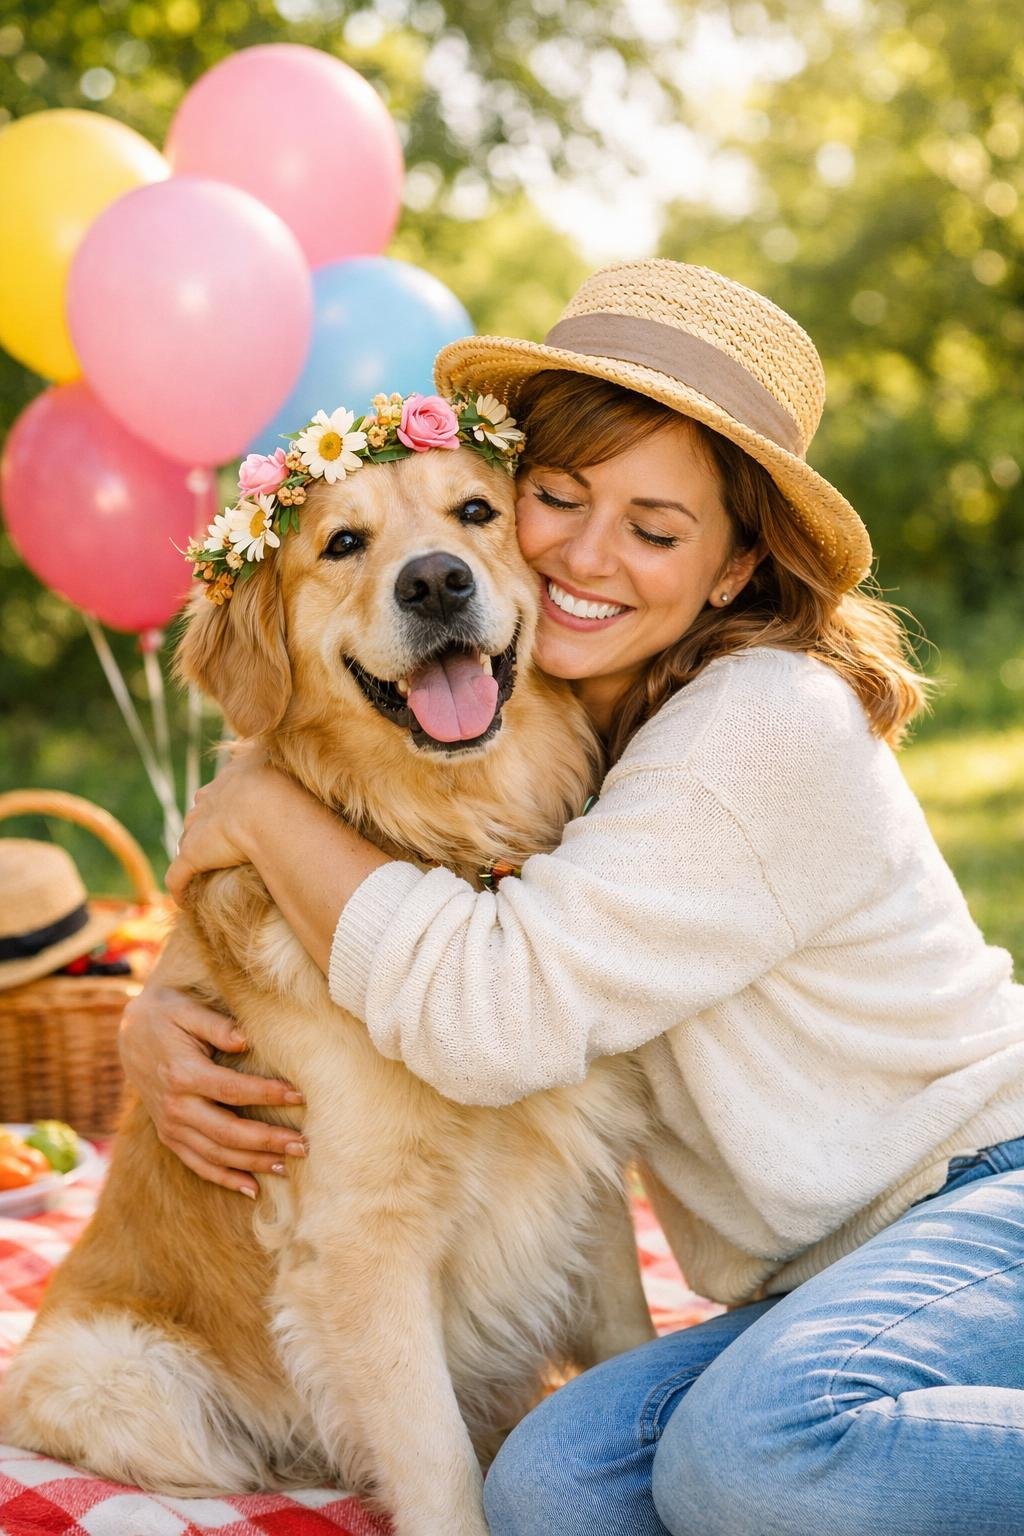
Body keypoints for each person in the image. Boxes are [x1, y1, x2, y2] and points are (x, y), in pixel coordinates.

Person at [120, 260, 1024, 1536]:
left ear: (729, 571)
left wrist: (263, 813)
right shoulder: (562, 723)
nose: (591, 557)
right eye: (555, 498)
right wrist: (156, 1006)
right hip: (823, 1275)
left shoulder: (758, 728)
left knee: (751, 1460)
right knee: (548, 1489)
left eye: (655, 531)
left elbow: (499, 1016)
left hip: (986, 1192)